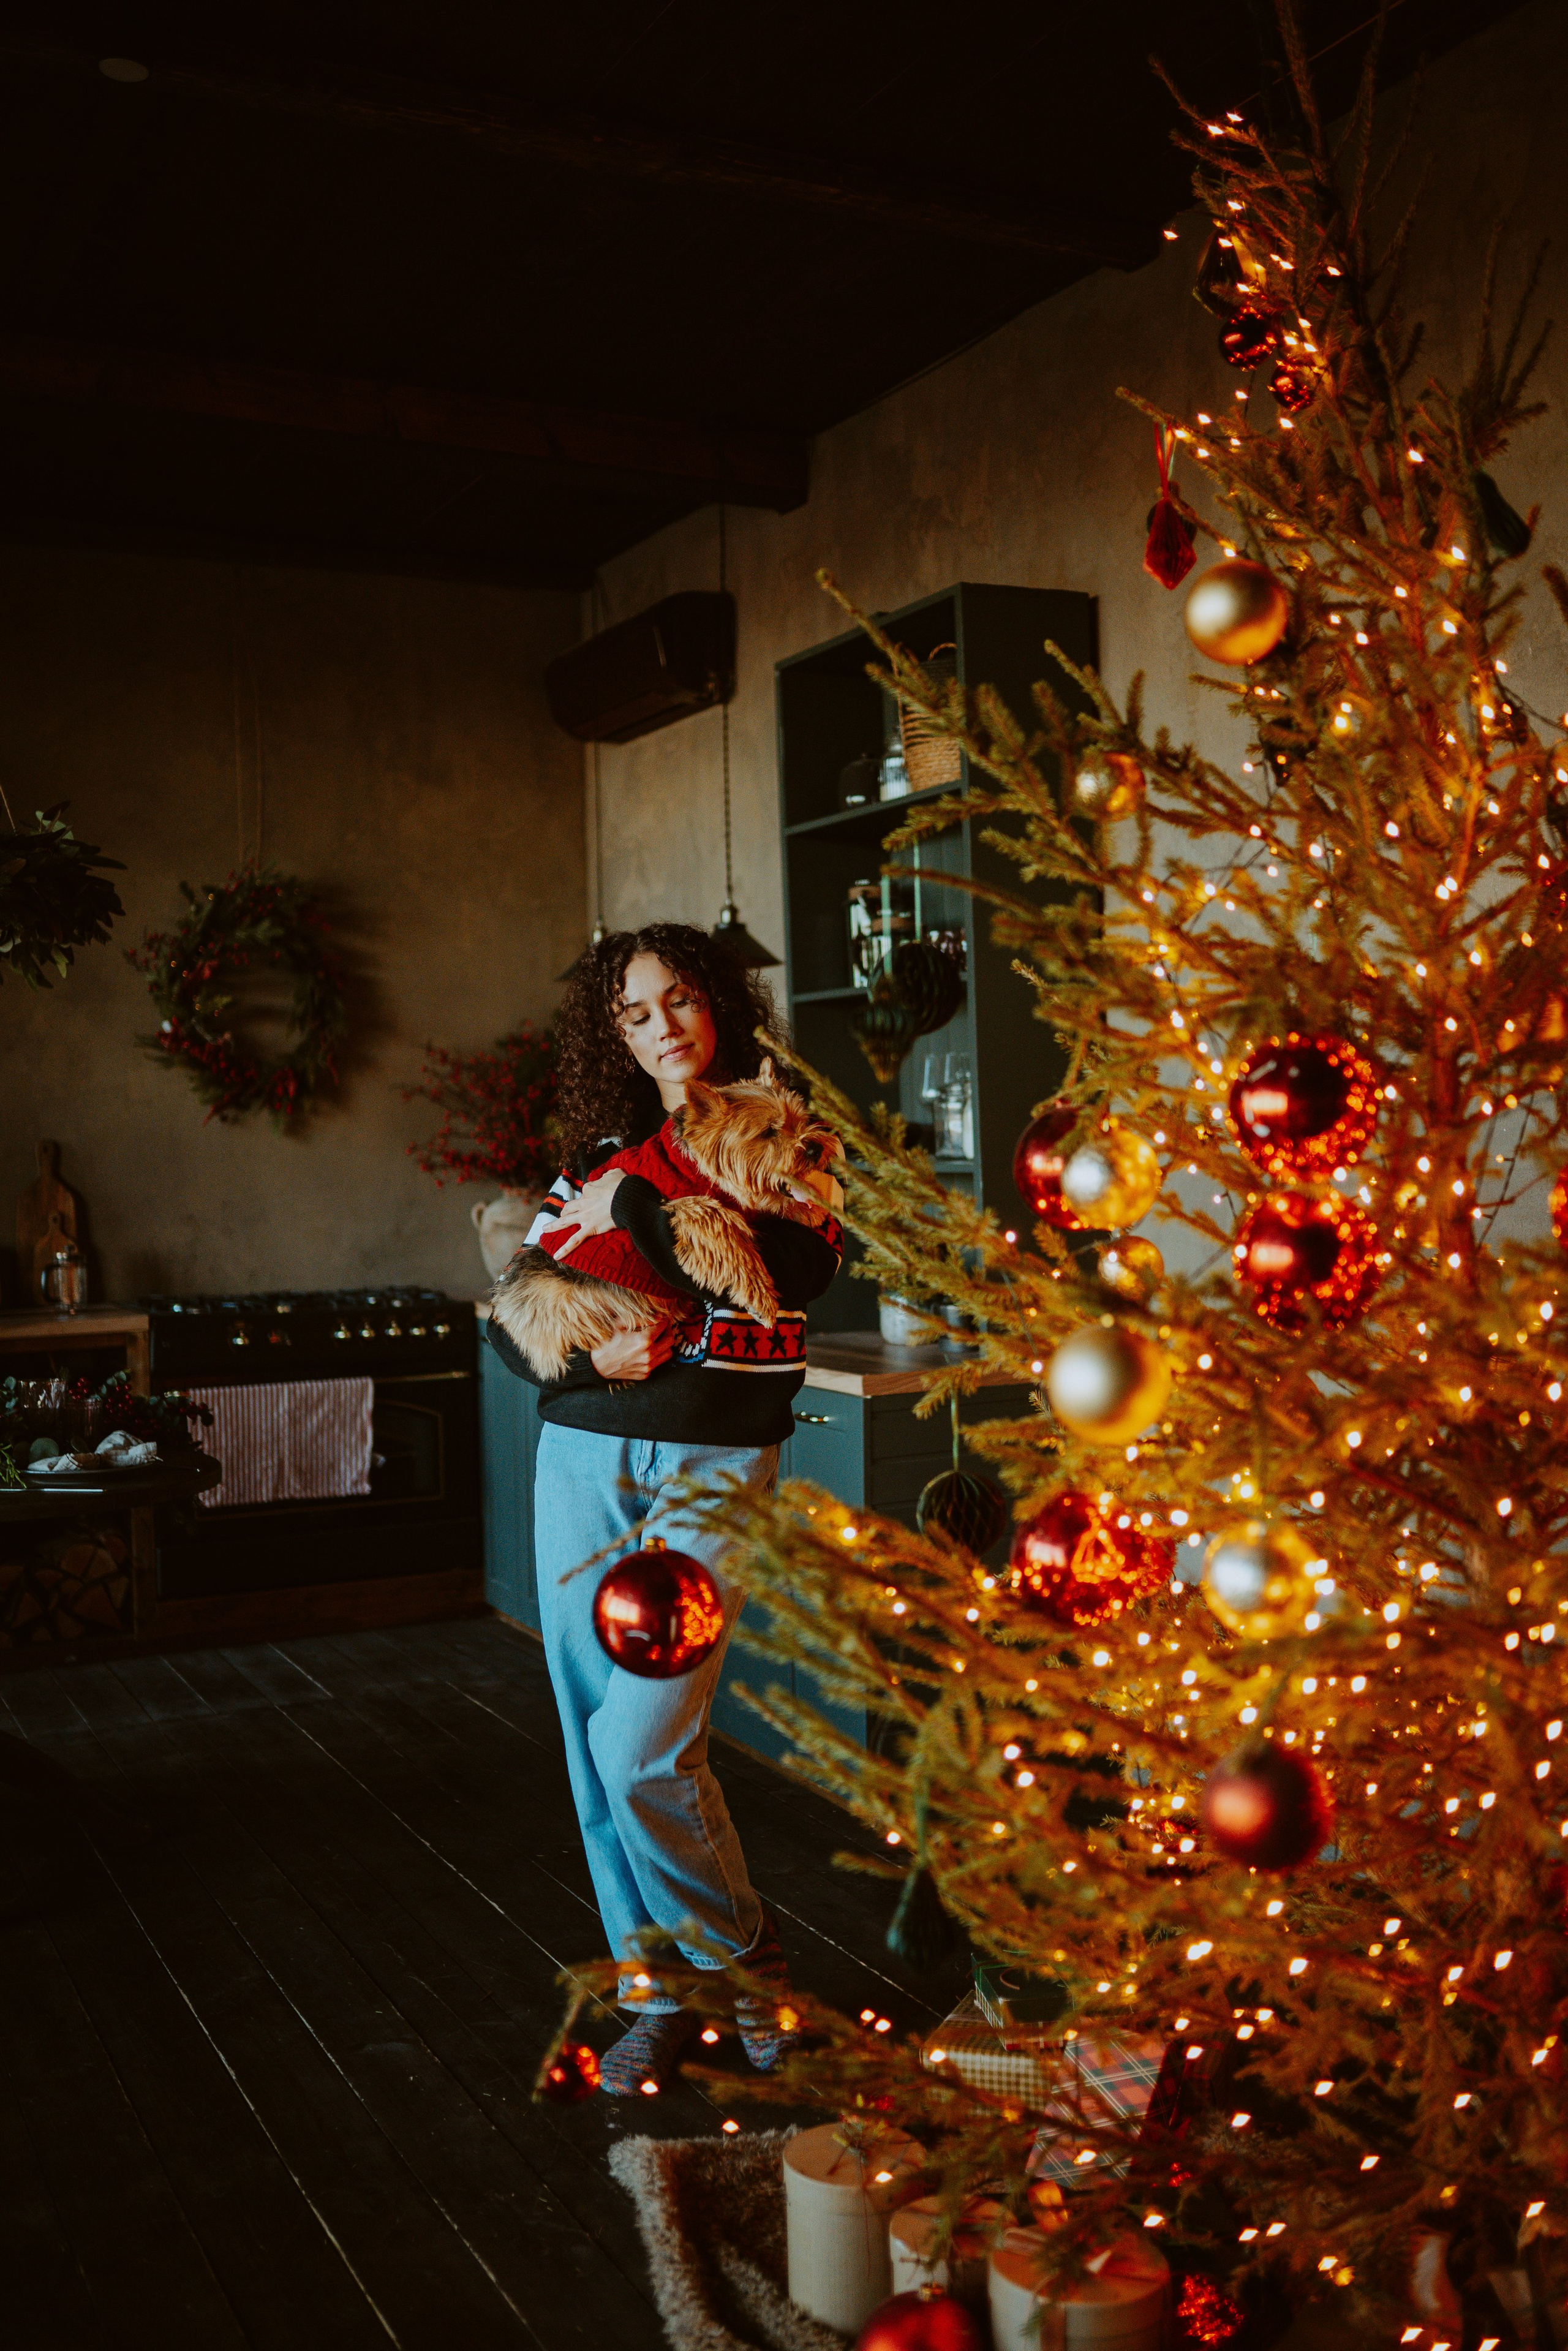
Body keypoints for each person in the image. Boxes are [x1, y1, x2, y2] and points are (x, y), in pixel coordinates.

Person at [484, 923, 843, 2094]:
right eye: (634, 1014)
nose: (661, 1028)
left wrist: (648, 1235)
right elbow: (518, 1321)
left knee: (646, 1746)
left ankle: (742, 1963)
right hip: (583, 1459)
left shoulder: (780, 1126)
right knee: (594, 1751)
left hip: (712, 1463)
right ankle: (658, 1987)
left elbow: (795, 1276)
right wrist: (601, 1363)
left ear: (717, 1004)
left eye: (677, 1000)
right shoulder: (597, 1153)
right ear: (617, 1036)